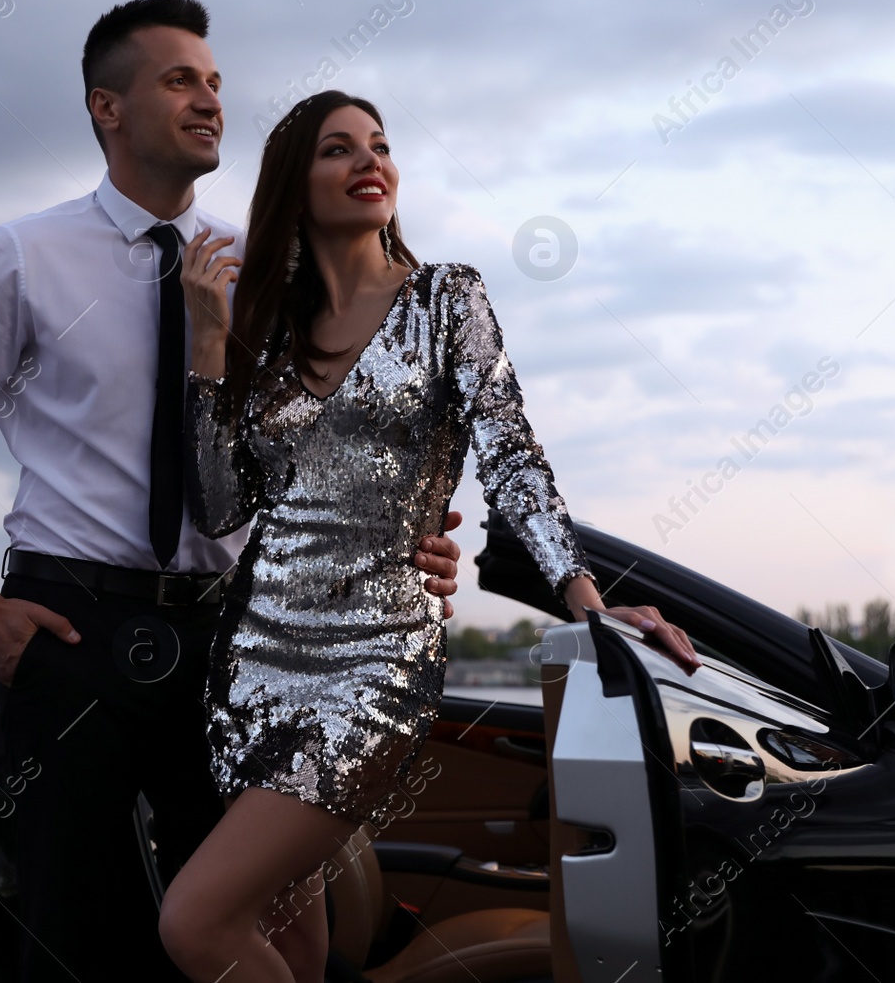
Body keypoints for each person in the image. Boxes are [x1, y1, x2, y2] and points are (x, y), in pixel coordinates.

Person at [0, 0, 465, 982]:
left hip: (234, 636)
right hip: (73, 634)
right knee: (71, 929)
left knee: (263, 927)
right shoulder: (21, 256)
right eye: (179, 79)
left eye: (217, 82)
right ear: (108, 107)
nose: (209, 99)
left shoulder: (265, 268)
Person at [158, 91, 701, 982]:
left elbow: (514, 457)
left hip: (375, 658)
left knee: (194, 921)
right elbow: (220, 507)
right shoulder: (273, 332)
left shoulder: (449, 297)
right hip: (251, 665)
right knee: (287, 939)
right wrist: (210, 344)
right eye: (339, 150)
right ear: (296, 187)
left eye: (379, 145)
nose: (370, 160)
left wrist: (586, 597)